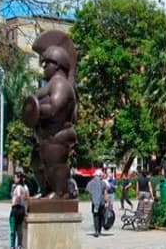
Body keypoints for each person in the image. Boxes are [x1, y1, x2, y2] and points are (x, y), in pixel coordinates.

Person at [22, 37, 77, 199]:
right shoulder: (50, 85)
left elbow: (54, 108)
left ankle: (60, 193)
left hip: (57, 136)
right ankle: (47, 190)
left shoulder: (60, 84)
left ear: (57, 64)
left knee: (55, 164)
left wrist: (36, 111)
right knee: (38, 164)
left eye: (46, 63)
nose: (44, 67)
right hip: (44, 137)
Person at [86, 169, 107, 237]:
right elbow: (105, 193)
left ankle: (96, 230)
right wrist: (106, 202)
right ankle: (99, 230)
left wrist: (92, 198)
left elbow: (88, 191)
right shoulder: (103, 183)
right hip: (101, 203)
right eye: (101, 175)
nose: (102, 177)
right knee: (101, 216)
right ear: (99, 175)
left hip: (94, 203)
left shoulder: (90, 183)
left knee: (95, 216)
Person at [9, 173, 28, 249]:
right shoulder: (24, 187)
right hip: (22, 209)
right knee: (19, 228)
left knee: (13, 228)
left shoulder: (18, 187)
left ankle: (12, 245)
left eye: (15, 178)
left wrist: (15, 201)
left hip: (16, 209)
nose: (14, 179)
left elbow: (19, 195)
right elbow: (26, 198)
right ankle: (19, 245)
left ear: (19, 179)